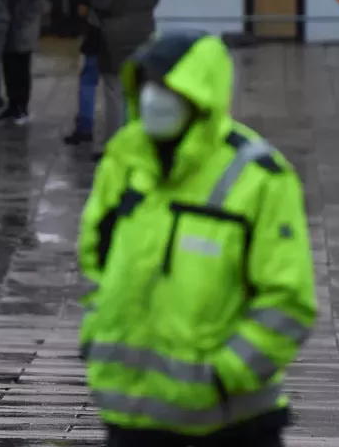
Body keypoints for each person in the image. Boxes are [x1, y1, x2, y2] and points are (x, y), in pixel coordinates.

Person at [78, 31, 316, 447]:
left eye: (169, 85)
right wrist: (96, 340)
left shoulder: (259, 177)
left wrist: (224, 377)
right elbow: (97, 260)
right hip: (130, 417)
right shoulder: (124, 160)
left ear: (200, 92)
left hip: (230, 424)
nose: (154, 98)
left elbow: (287, 301)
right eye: (148, 84)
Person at [92, 0, 161, 156]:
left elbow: (100, 2)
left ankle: (114, 143)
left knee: (114, 92)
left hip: (115, 37)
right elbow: (155, 0)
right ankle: (138, 139)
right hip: (144, 35)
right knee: (138, 90)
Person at [0, 0, 47, 124]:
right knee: (20, 67)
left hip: (16, 24)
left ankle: (16, 105)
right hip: (25, 26)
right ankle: (19, 105)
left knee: (13, 67)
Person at [64, 0, 106, 145]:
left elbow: (82, 9)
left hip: (97, 37)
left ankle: (85, 127)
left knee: (88, 80)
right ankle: (123, 126)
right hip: (129, 39)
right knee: (119, 86)